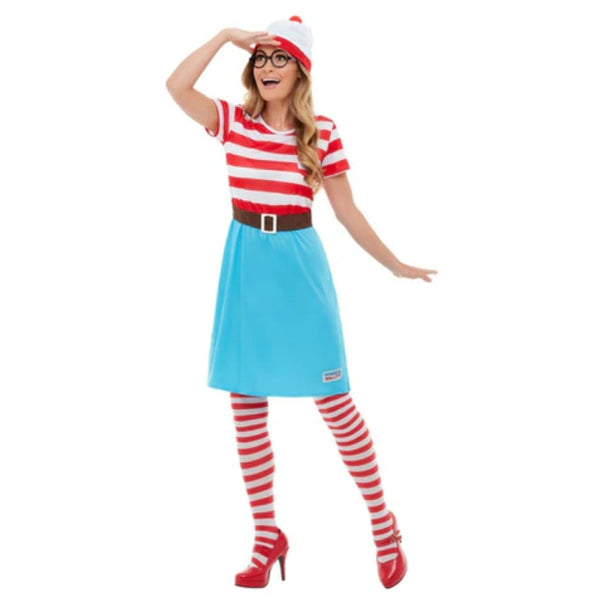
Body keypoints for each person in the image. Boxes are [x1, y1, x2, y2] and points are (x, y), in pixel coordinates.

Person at [166, 15, 437, 589]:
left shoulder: (322, 133)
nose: (268, 67)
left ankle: (384, 525)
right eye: (261, 57)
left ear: (300, 70)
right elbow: (176, 86)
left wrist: (394, 264)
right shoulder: (234, 122)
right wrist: (224, 36)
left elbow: (347, 211)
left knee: (335, 402)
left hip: (298, 268)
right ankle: (267, 535)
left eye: (280, 57)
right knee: (246, 404)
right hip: (245, 265)